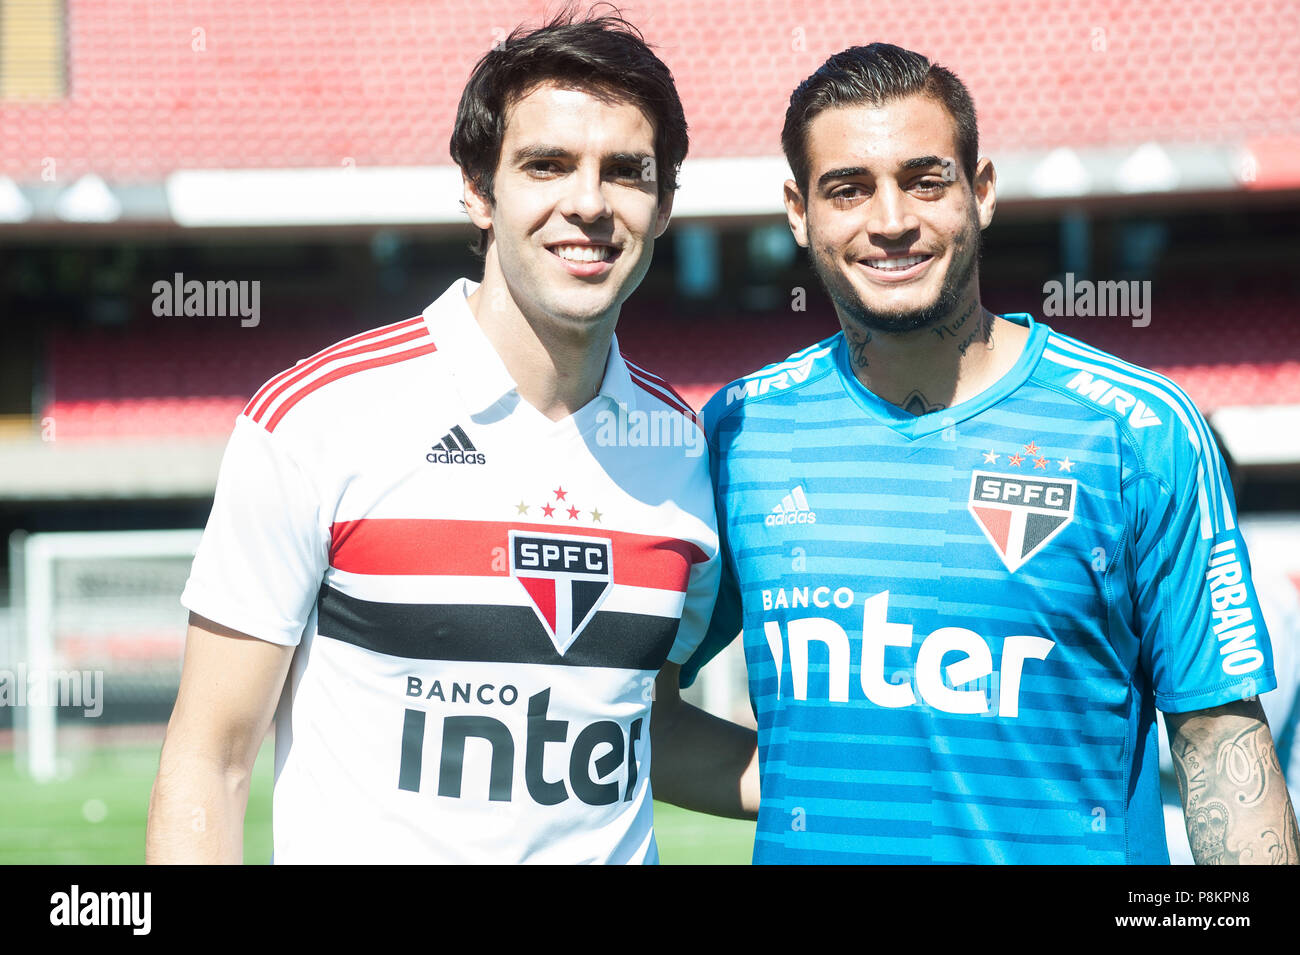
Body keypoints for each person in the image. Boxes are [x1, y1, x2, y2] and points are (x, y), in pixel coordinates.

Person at [147, 9, 758, 865]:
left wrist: (850, 779)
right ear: (478, 189)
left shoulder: (682, 450)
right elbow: (209, 761)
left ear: (663, 208)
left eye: (626, 172)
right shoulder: (319, 418)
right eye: (546, 165)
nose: (587, 203)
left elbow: (634, 724)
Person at [681, 42, 1297, 864]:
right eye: (848, 189)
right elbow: (629, 706)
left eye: (926, 180)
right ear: (799, 212)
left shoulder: (1138, 432)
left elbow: (1222, 743)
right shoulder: (740, 432)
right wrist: (806, 779)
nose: (891, 219)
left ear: (982, 192)